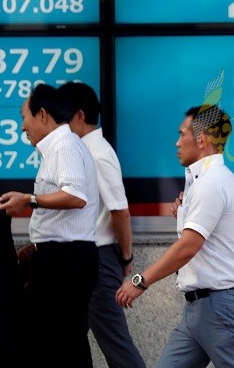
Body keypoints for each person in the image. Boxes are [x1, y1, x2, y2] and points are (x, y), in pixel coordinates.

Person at [115, 104, 234, 368]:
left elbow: (189, 245)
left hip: (219, 307)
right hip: (198, 308)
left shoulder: (212, 183)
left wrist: (140, 280)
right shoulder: (203, 182)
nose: (177, 142)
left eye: (182, 134)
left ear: (201, 139)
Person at [0, 83, 99, 368]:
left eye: (24, 116)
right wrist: (36, 246)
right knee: (62, 344)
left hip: (66, 261)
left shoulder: (64, 146)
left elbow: (75, 196)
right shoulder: (59, 148)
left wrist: (29, 200)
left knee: (62, 344)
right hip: (61, 258)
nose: (22, 127)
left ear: (42, 115)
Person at [59, 81, 145, 368]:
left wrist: (126, 258)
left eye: (64, 117)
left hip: (99, 260)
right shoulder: (82, 151)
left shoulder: (97, 154)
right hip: (85, 259)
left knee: (117, 346)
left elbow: (120, 211)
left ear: (80, 116)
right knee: (66, 343)